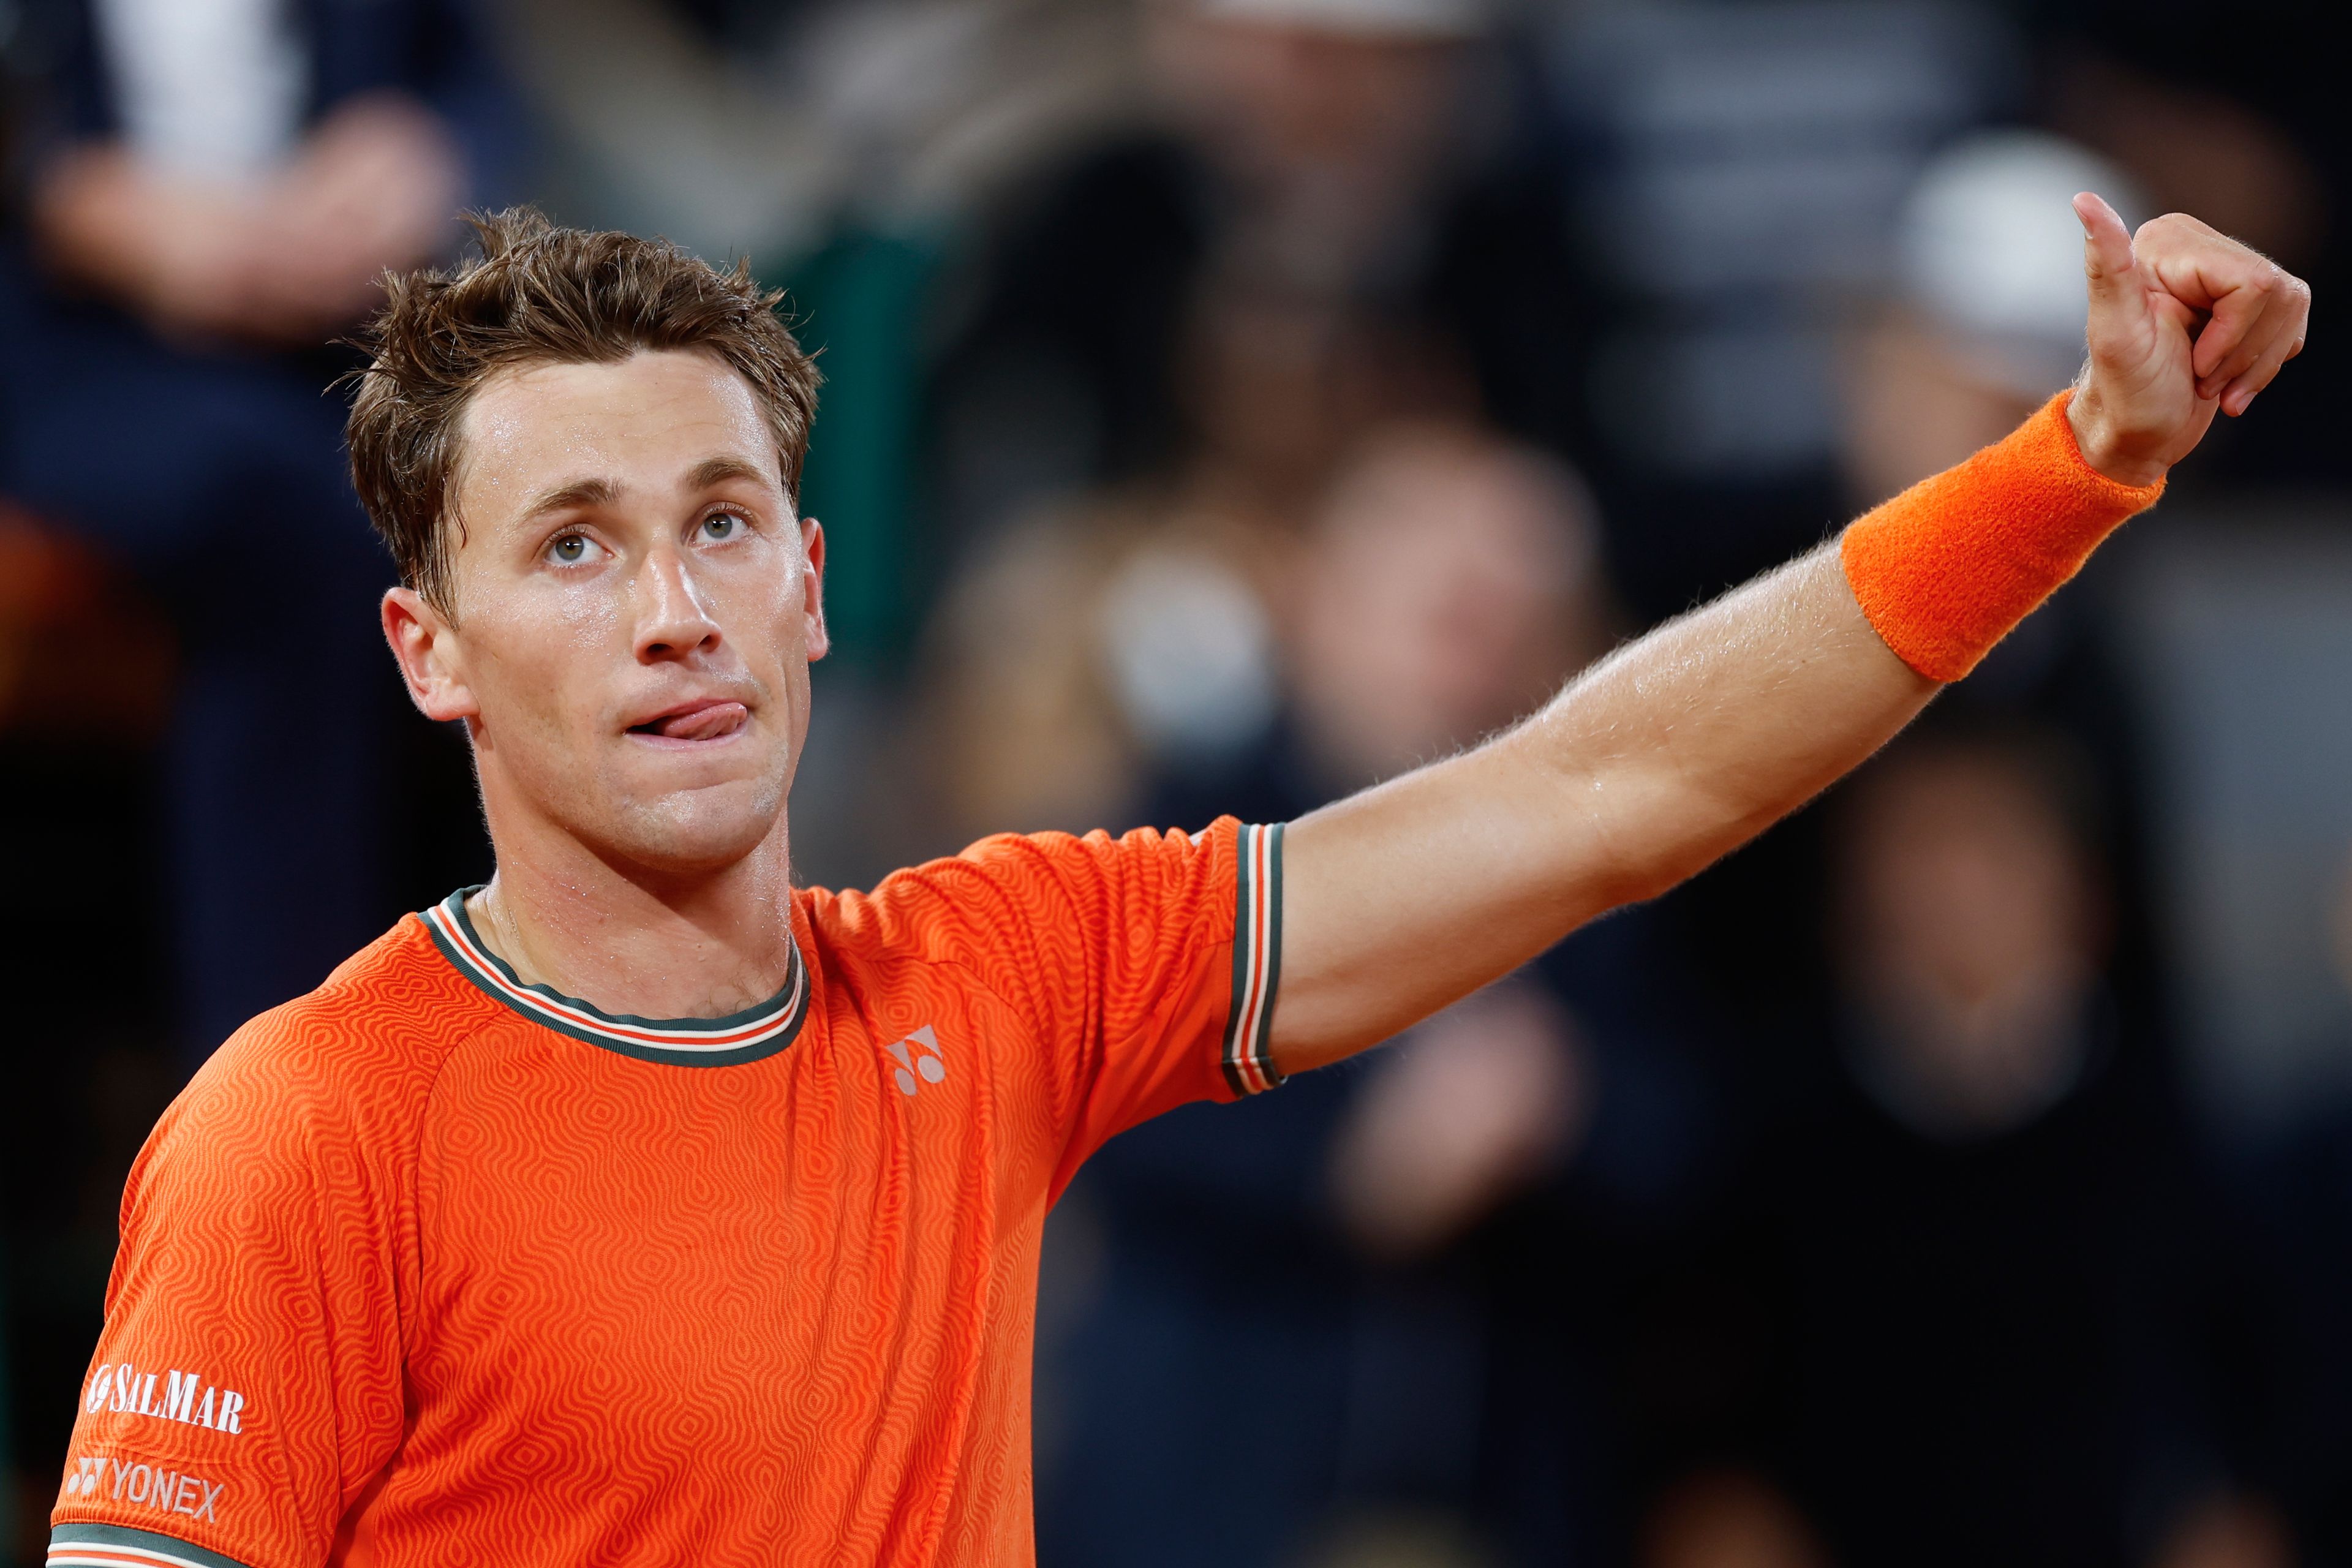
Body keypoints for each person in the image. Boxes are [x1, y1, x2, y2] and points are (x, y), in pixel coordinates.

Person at [46, 197, 2304, 1564]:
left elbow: (1606, 791)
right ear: (424, 656)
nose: (674, 609)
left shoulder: (1007, 974)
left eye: (722, 523)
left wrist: (2075, 466)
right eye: (573, 546)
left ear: (818, 589)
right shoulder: (308, 1124)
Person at [0, 0, 516, 1062]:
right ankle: (288, 1110)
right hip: (77, 345)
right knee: (293, 516)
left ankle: (562, 1067)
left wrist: (422, 159)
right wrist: (71, 196)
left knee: (516, 482)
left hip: (344, 337)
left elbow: (472, 86)